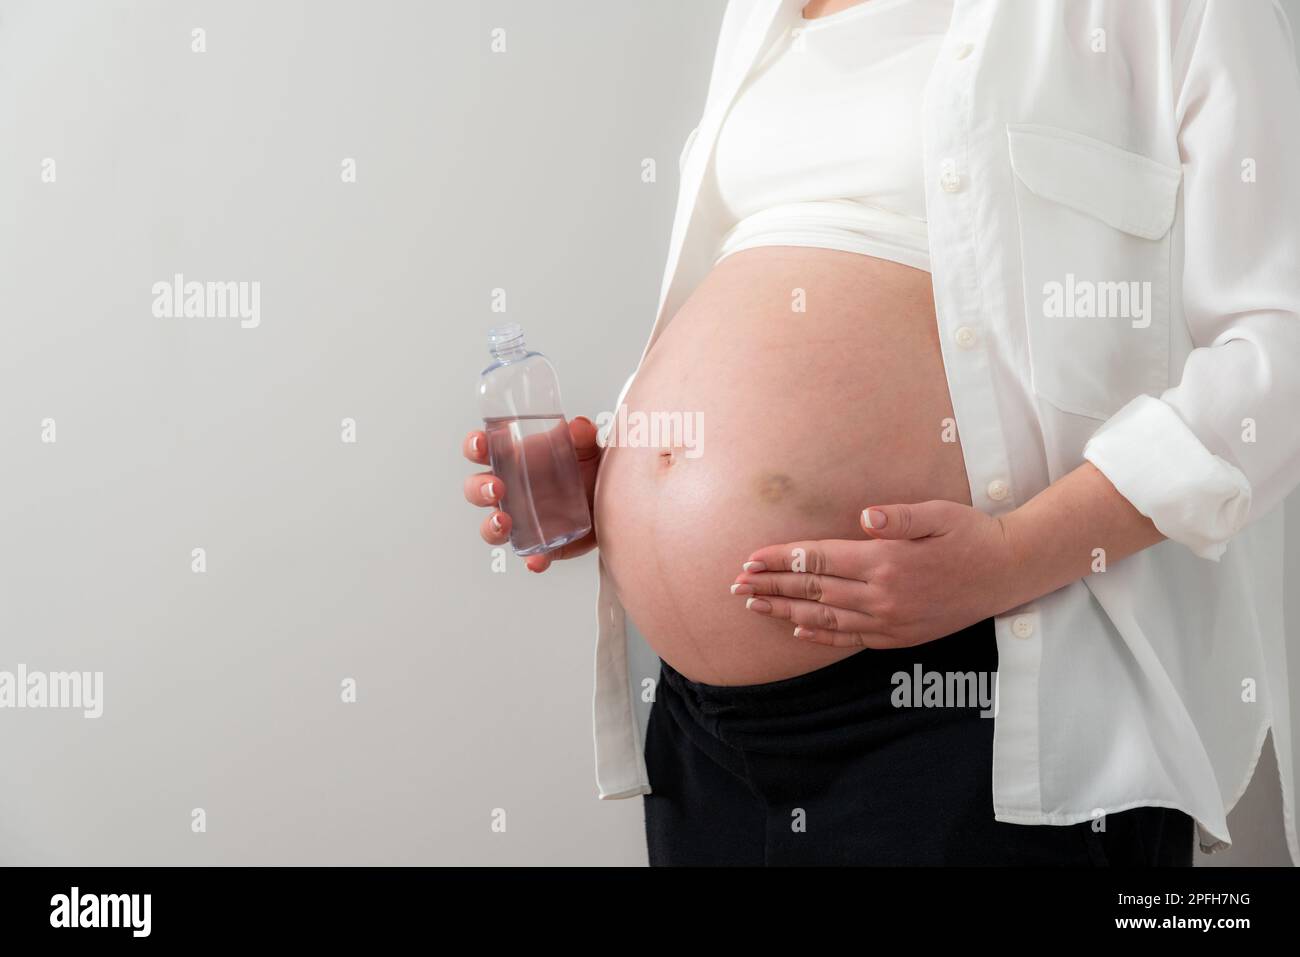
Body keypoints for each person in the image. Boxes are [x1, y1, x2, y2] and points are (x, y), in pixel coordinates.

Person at [464, 0, 1300, 866]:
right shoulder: (763, 15)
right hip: (699, 738)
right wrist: (630, 464)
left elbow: (1280, 348)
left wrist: (1012, 555)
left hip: (973, 694)